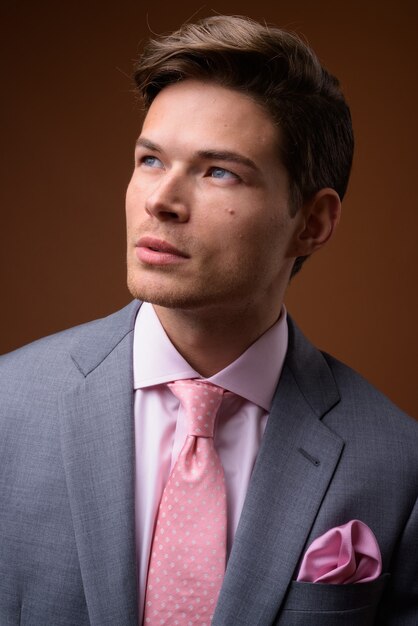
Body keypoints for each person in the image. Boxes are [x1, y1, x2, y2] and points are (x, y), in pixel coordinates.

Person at [0, 14, 417, 626]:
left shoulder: (397, 464)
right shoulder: (8, 409)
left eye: (218, 170)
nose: (160, 201)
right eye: (149, 160)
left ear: (313, 223)